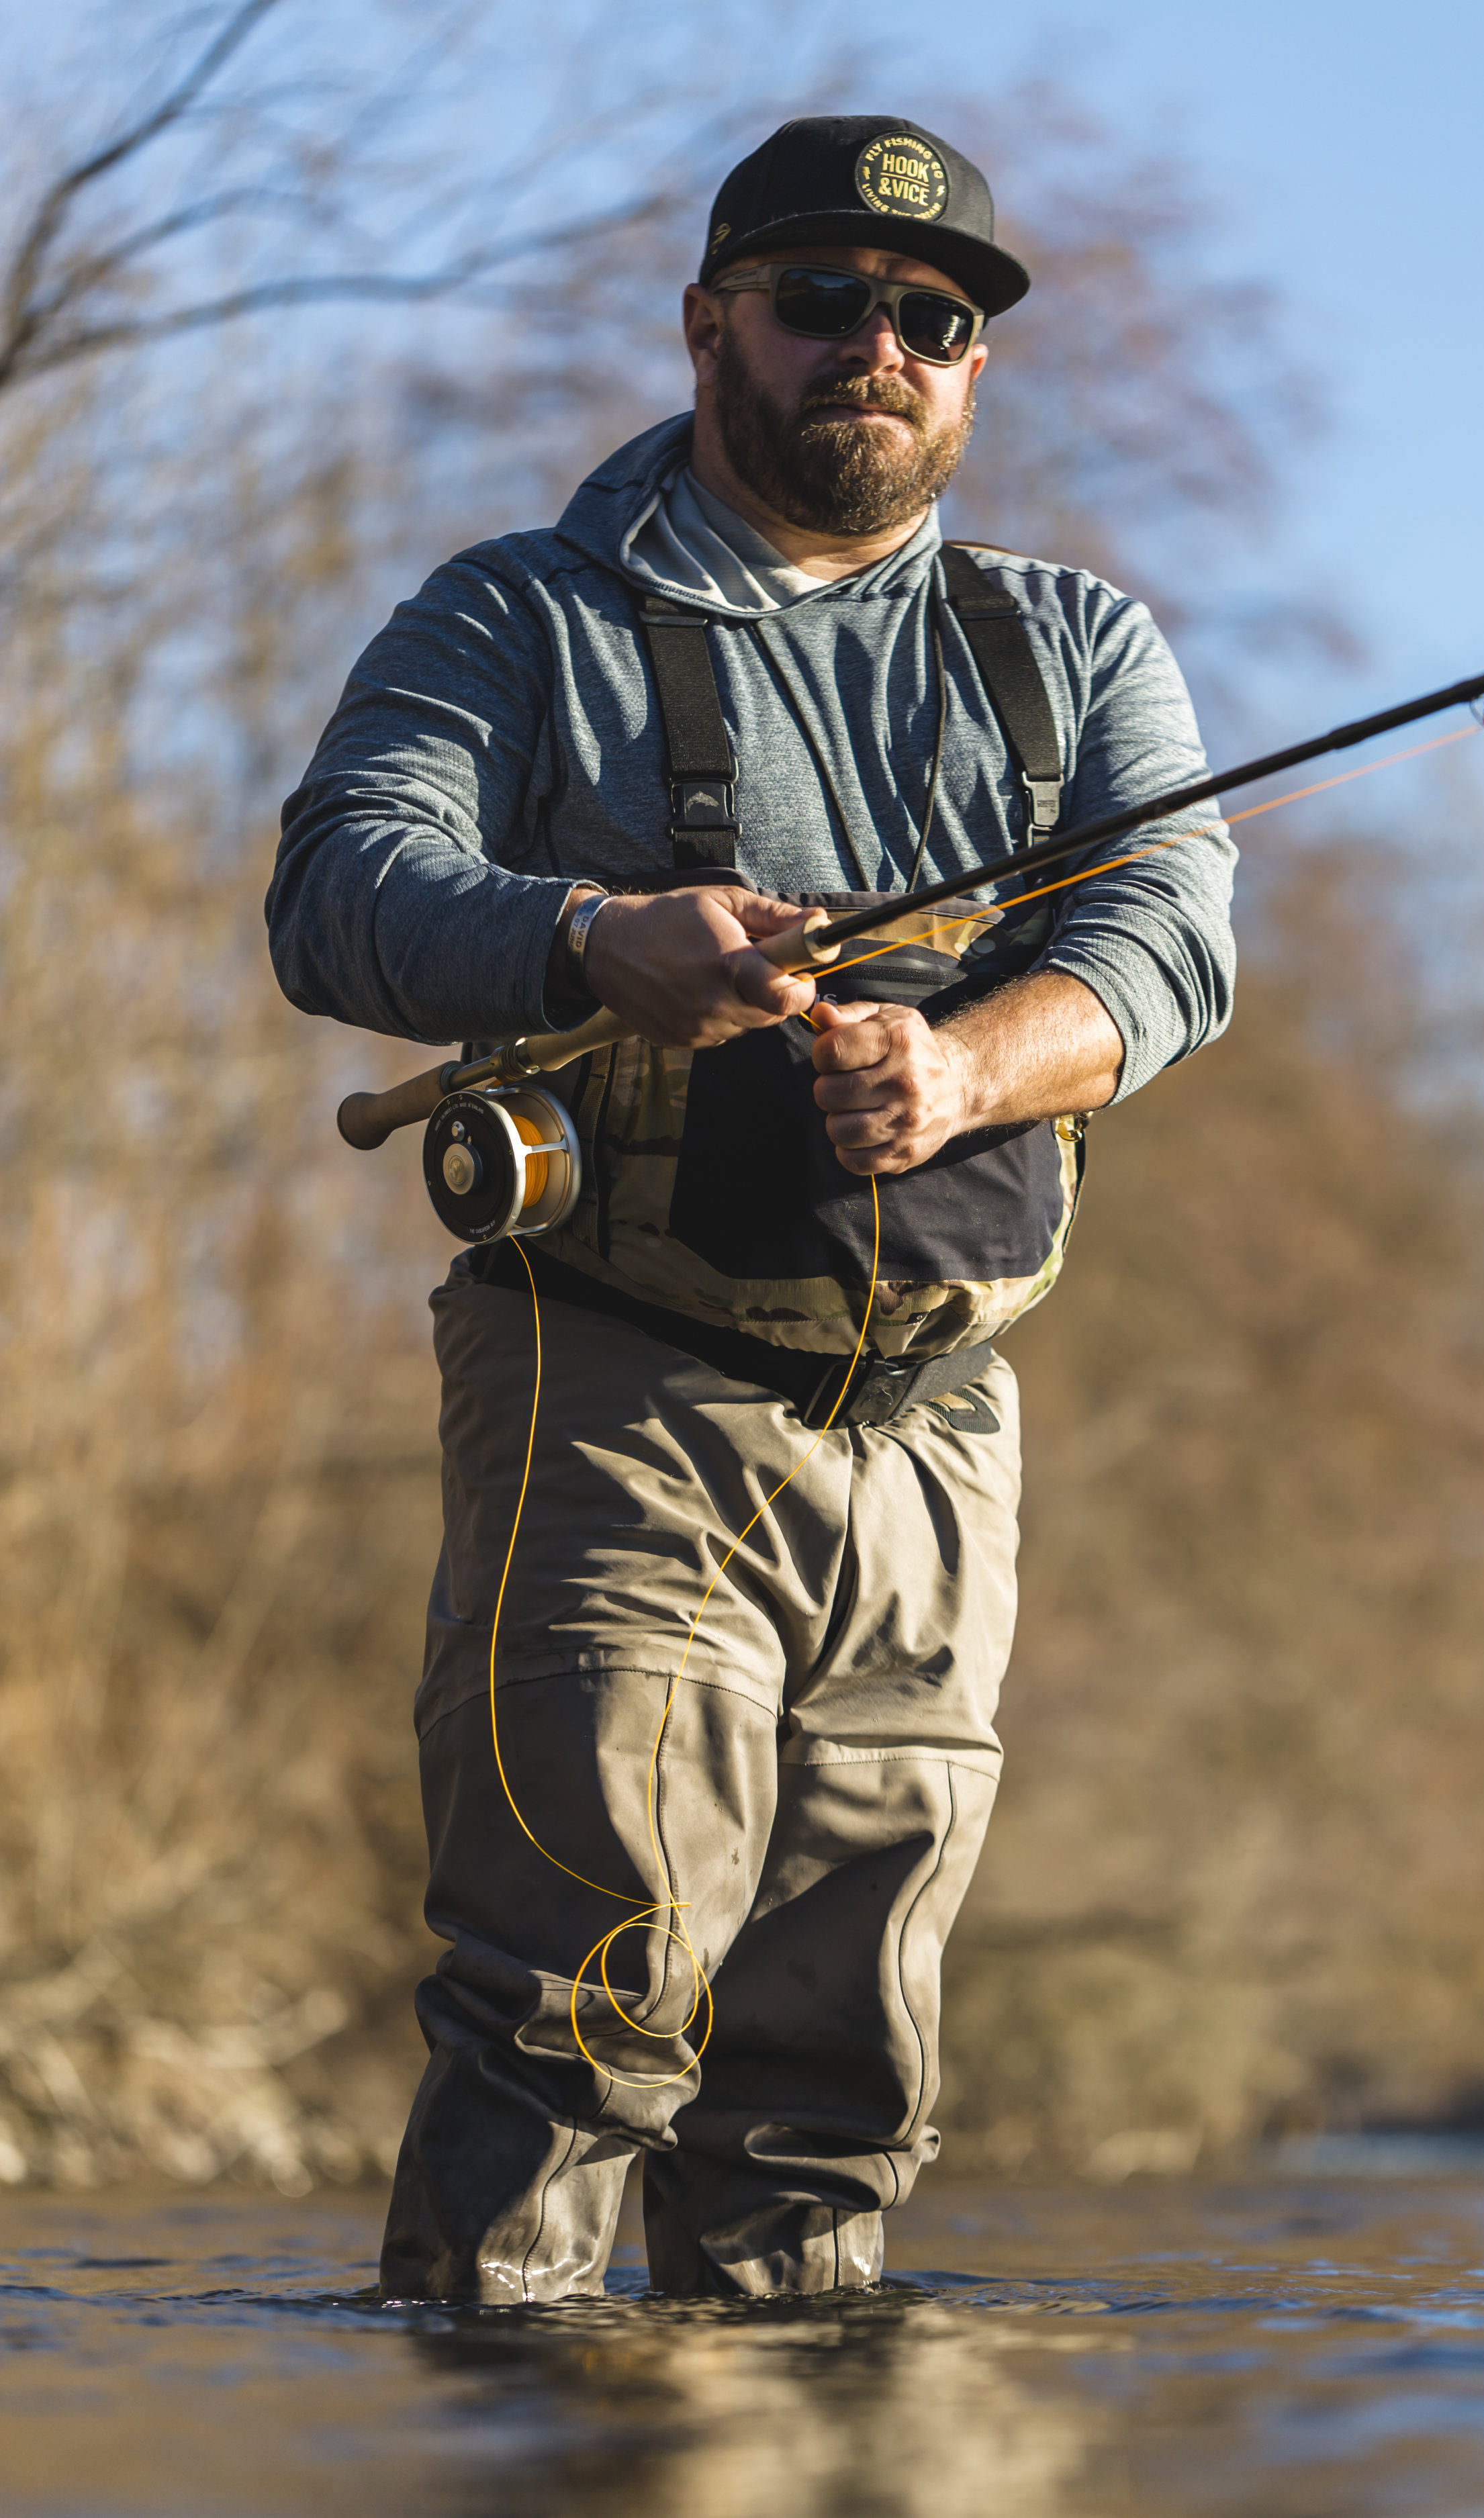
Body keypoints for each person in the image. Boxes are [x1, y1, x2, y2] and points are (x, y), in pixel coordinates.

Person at [267, 113, 1236, 2301]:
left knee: (837, 2087)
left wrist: (969, 1061)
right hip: (614, 1388)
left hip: (939, 1423)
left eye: (934, 318)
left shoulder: (1072, 646)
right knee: (575, 2005)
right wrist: (588, 935)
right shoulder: (520, 614)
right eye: (822, 301)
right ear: (712, 321)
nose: (877, 346)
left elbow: (1174, 939)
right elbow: (338, 886)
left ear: (972, 365)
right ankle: (495, 2412)